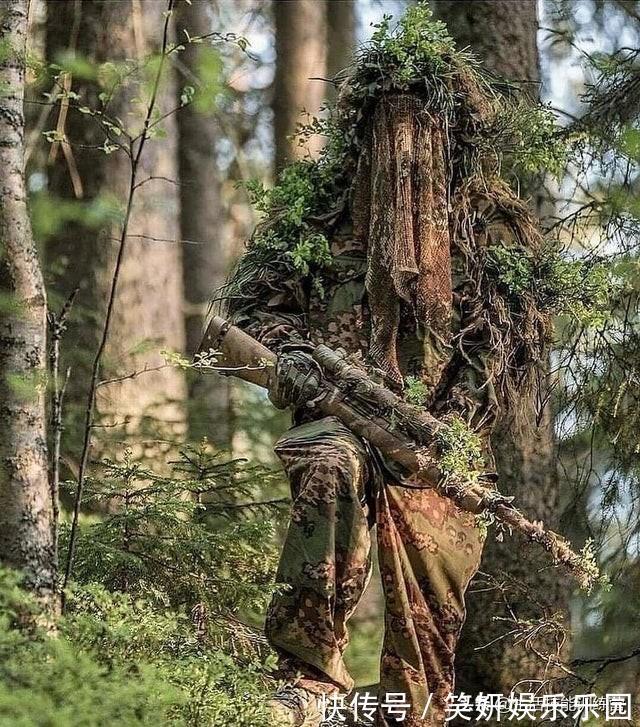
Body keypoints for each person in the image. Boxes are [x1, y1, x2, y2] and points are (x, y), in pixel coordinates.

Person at [223, 12, 548, 726]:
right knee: (330, 461)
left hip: (438, 450)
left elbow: (505, 343)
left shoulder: (488, 228)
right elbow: (243, 317)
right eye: (386, 120)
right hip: (337, 426)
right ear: (361, 127)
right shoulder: (315, 216)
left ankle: (417, 706)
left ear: (452, 130)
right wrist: (298, 364)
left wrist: (448, 430)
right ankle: (307, 673)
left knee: (425, 652)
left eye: (420, 121)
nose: (404, 142)